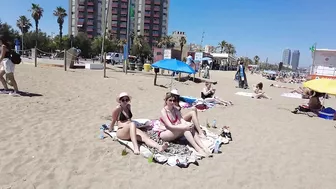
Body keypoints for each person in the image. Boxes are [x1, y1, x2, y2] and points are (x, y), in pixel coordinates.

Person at [159, 92, 211, 157]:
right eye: (170, 100)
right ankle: (198, 149)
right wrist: (184, 127)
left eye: (174, 100)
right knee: (185, 128)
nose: (172, 102)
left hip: (174, 130)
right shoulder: (164, 111)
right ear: (166, 101)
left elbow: (181, 120)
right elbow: (170, 126)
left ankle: (203, 147)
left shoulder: (175, 109)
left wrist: (188, 124)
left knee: (189, 127)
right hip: (165, 132)